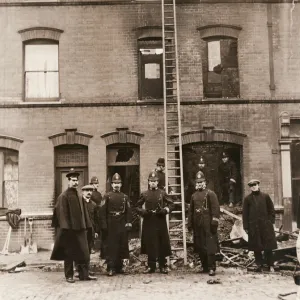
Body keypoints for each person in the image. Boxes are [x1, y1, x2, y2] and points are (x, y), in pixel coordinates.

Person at [50, 168, 97, 283]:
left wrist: (88, 225)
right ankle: (69, 275)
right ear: (68, 181)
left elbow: (84, 213)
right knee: (69, 253)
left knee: (84, 252)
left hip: (80, 229)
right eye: (73, 180)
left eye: (77, 180)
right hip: (69, 230)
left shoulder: (79, 196)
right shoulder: (63, 196)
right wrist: (66, 228)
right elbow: (61, 213)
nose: (75, 183)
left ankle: (84, 275)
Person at [136, 170, 174, 274]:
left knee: (161, 242)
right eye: (151, 181)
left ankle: (162, 265)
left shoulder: (162, 193)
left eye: (155, 181)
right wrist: (143, 212)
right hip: (149, 221)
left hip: (160, 220)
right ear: (148, 182)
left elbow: (171, 204)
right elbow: (137, 206)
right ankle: (151, 266)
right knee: (150, 243)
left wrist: (165, 210)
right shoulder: (144, 194)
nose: (153, 183)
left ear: (158, 182)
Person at [188, 171, 220, 276]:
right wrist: (190, 224)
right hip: (198, 225)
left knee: (210, 246)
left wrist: (214, 223)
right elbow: (191, 211)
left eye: (201, 182)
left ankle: (212, 268)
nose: (199, 184)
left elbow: (215, 209)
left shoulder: (210, 193)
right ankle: (205, 267)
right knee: (200, 246)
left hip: (208, 225)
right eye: (197, 183)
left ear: (205, 183)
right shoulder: (193, 196)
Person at [100, 173, 132, 276]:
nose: (116, 185)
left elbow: (128, 211)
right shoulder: (107, 196)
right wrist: (104, 224)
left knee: (122, 244)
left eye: (118, 183)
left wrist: (128, 222)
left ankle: (121, 267)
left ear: (121, 184)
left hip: (122, 223)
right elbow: (102, 211)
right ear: (112, 185)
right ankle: (111, 268)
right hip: (111, 223)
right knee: (111, 246)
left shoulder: (125, 197)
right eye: (114, 183)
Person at [243, 179, 277, 272]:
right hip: (254, 227)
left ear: (258, 185)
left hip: (265, 226)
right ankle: (259, 265)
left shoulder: (265, 196)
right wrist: (246, 227)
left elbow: (271, 210)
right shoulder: (247, 199)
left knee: (268, 246)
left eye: (255, 184)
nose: (253, 187)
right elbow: (245, 214)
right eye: (251, 185)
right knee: (256, 247)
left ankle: (270, 265)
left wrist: (270, 221)